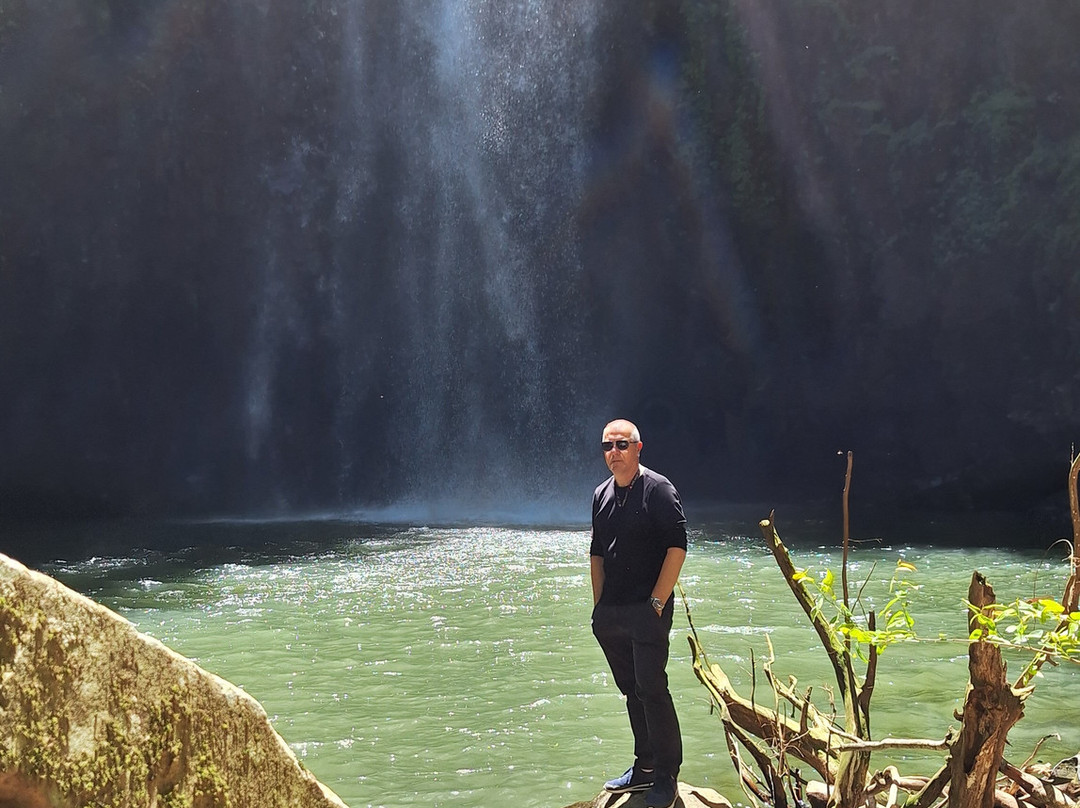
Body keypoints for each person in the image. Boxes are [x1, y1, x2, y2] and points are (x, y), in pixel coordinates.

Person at [590, 418, 687, 808]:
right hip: (612, 612)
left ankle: (667, 776)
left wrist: (657, 605)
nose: (614, 452)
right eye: (607, 446)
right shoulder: (600, 493)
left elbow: (676, 549)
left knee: (652, 689)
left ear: (638, 447)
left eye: (622, 445)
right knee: (631, 690)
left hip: (649, 609)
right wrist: (599, 608)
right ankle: (644, 766)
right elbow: (597, 552)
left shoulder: (659, 489)